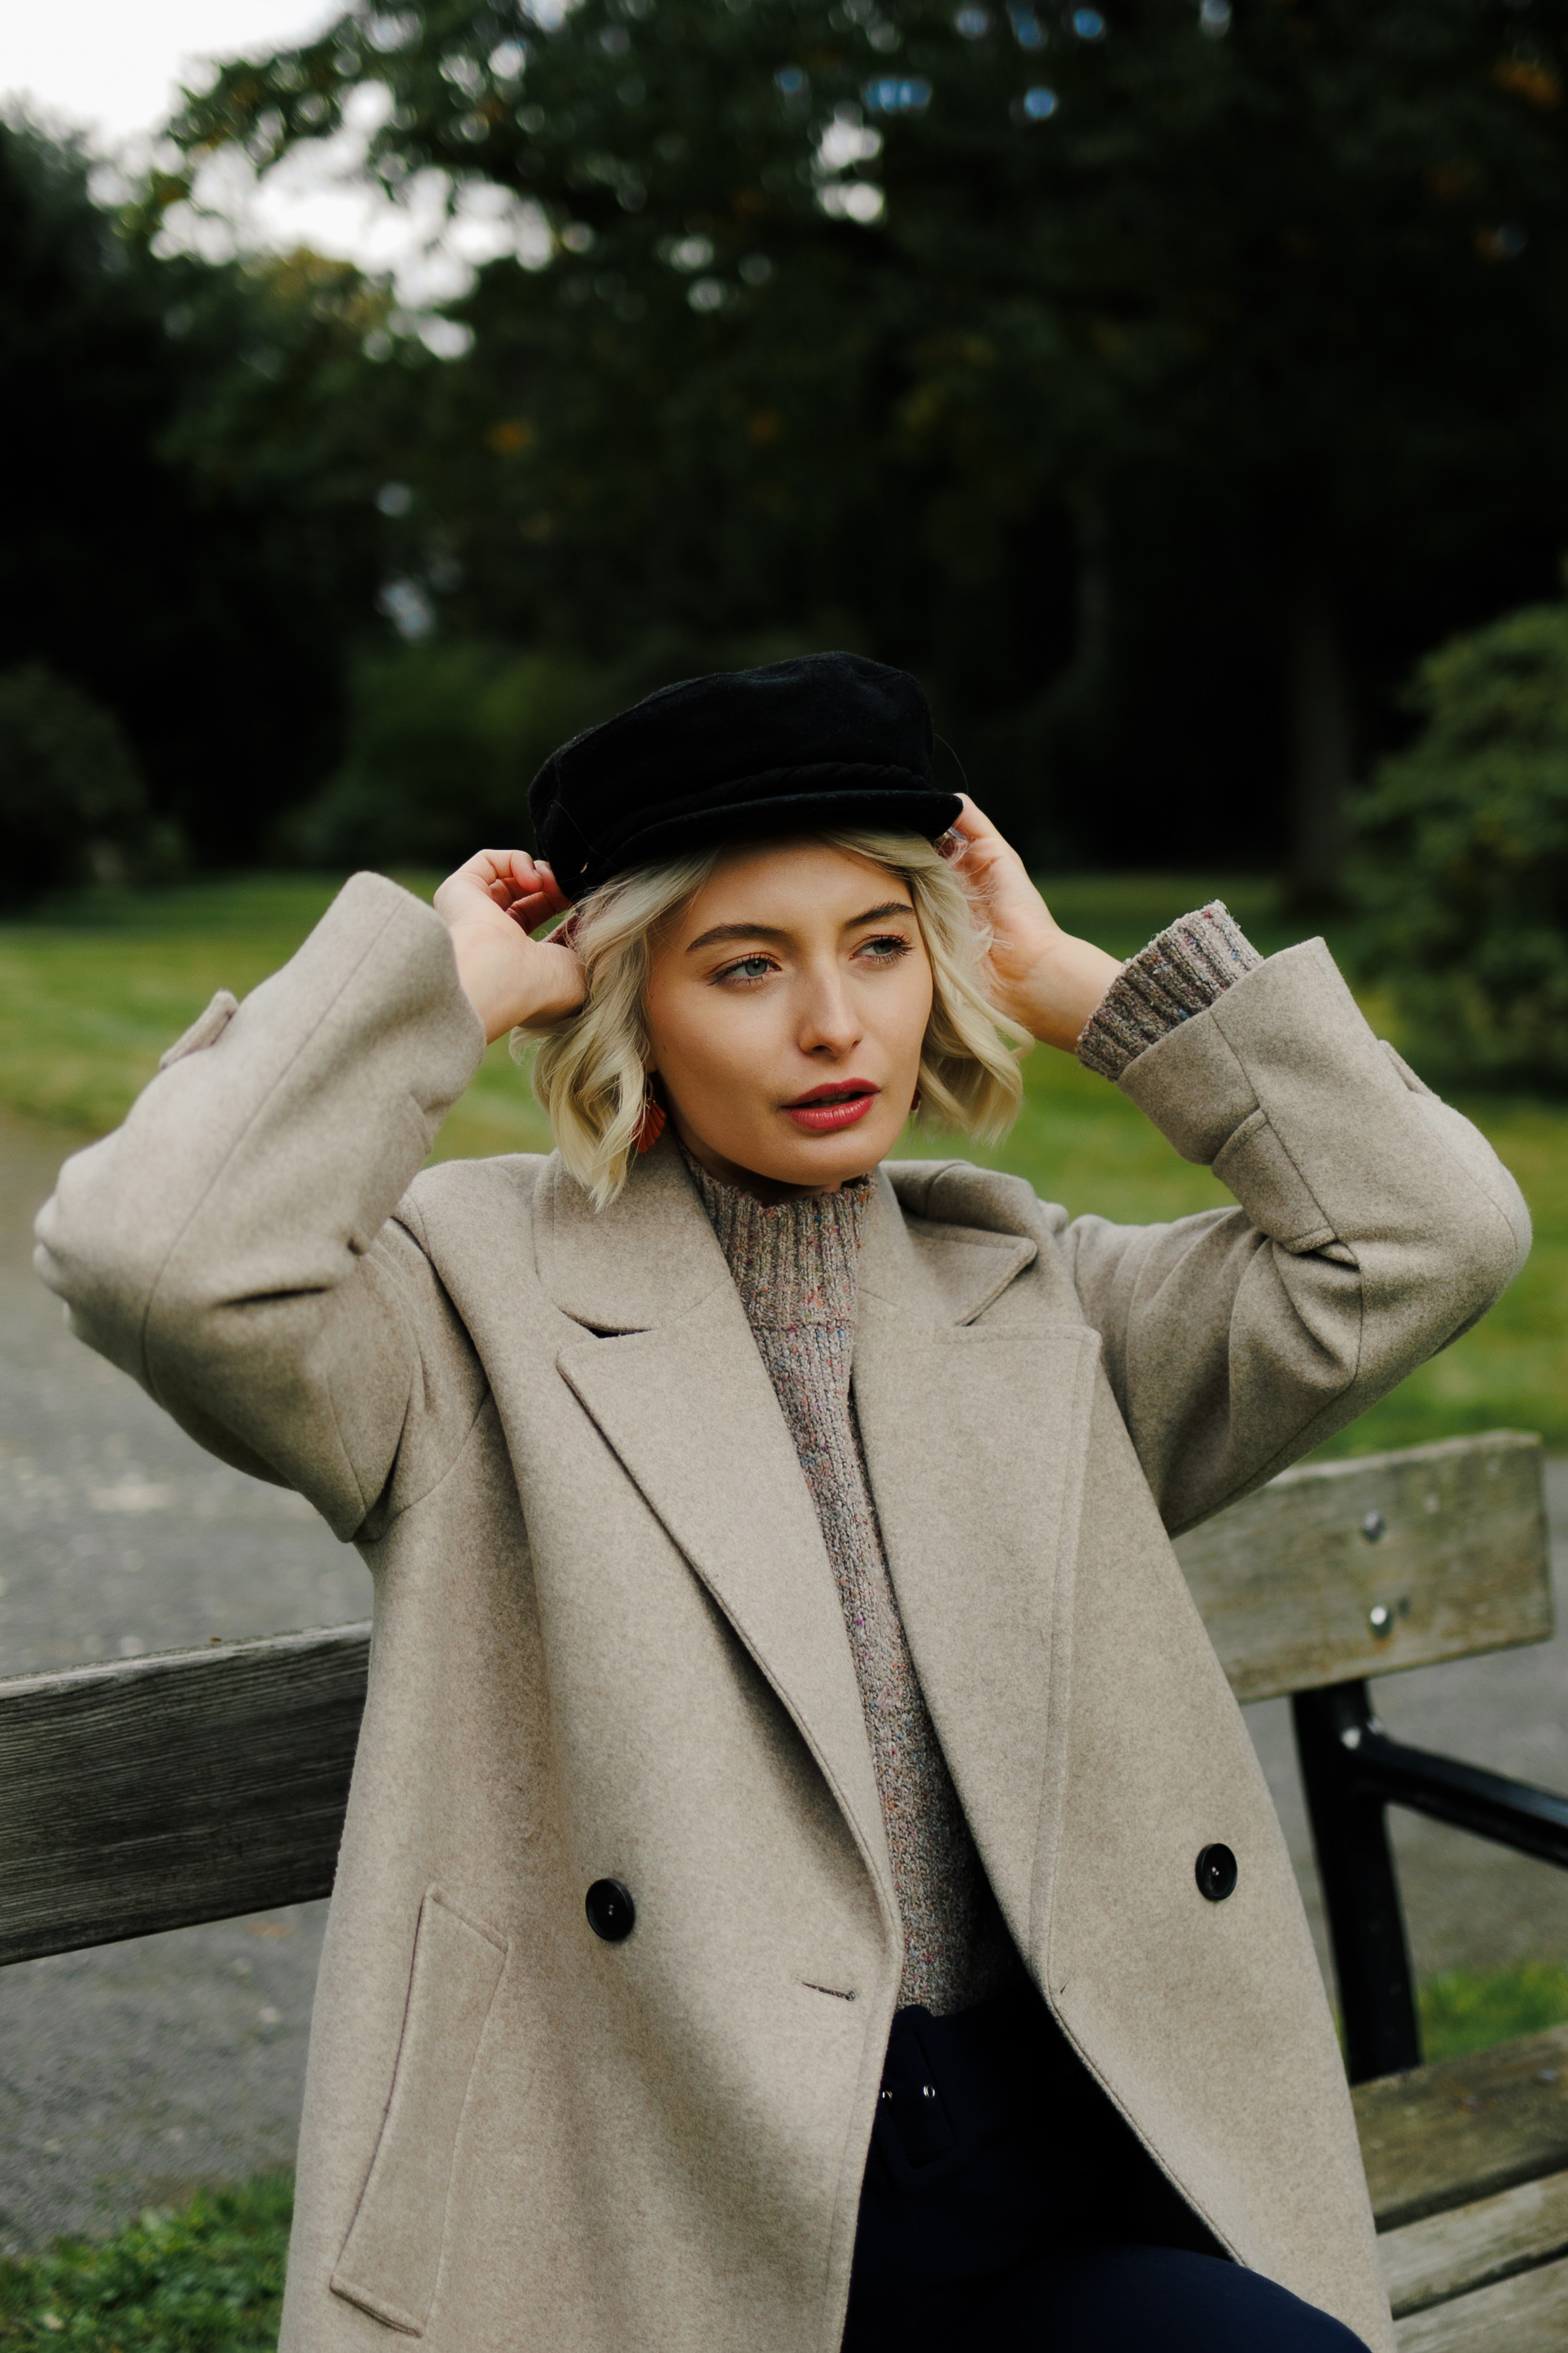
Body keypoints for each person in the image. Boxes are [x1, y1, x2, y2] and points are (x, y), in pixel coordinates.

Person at [35, 654, 1527, 2353]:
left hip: (1047, 2178)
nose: (835, 1024)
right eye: (747, 965)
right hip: (660, 2211)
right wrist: (432, 995)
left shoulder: (1039, 1299)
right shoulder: (461, 1316)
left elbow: (1427, 1237)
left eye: (880, 946)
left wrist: (1090, 987)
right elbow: (155, 1258)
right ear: (624, 996)